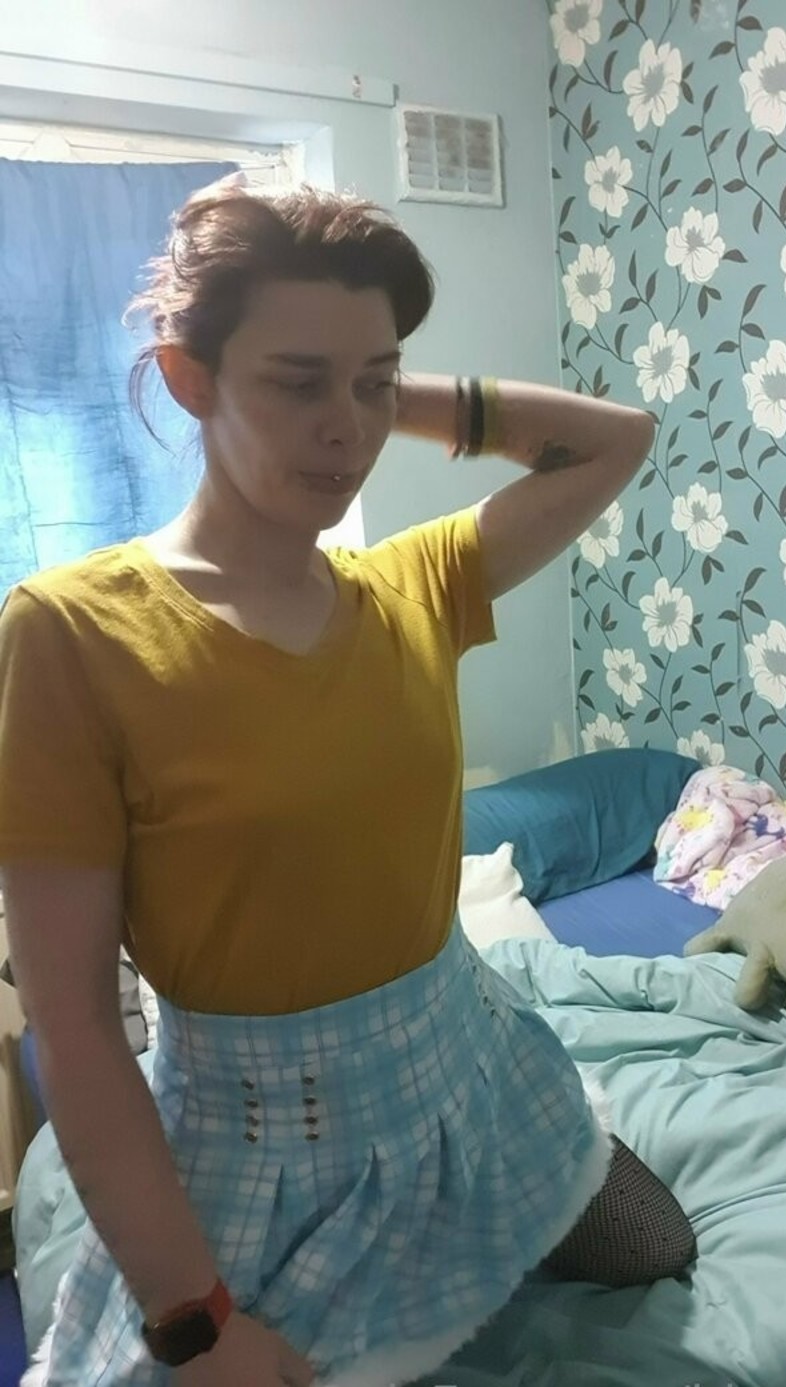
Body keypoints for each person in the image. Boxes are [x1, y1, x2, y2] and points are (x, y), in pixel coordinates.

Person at [0, 179, 695, 1387]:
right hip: (265, 1149)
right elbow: (76, 1025)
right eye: (297, 381)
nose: (349, 428)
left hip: (471, 1073)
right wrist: (192, 1321)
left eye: (375, 383)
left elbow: (617, 437)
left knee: (654, 1247)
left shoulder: (415, 585)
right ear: (188, 378)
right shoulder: (71, 634)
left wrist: (368, 386)